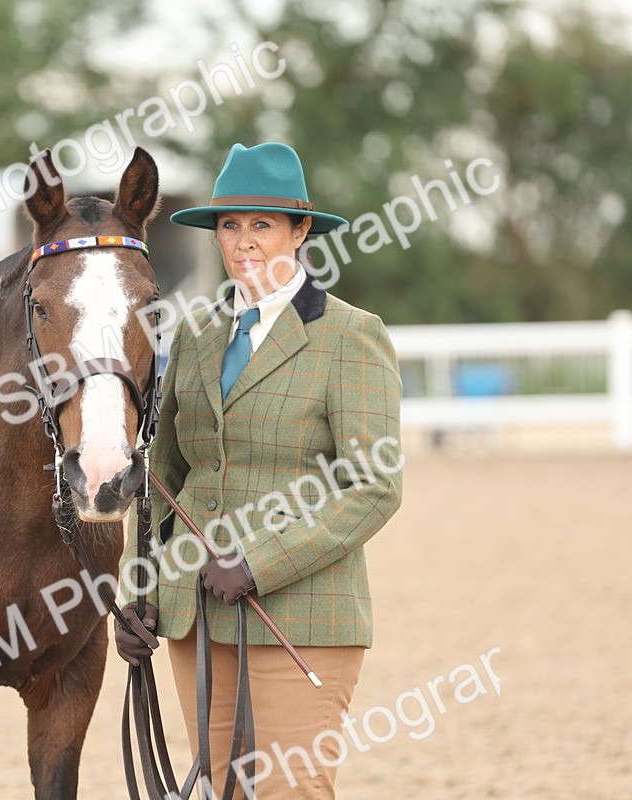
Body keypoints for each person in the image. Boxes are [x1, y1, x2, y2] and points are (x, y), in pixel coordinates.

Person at [116, 142, 404, 800]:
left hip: (298, 619)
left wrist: (258, 559)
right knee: (225, 790)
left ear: (301, 232)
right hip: (194, 616)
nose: (244, 241)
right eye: (230, 225)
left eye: (262, 225)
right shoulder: (194, 336)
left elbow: (375, 485)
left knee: (287, 792)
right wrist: (139, 594)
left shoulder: (348, 336)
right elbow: (159, 482)